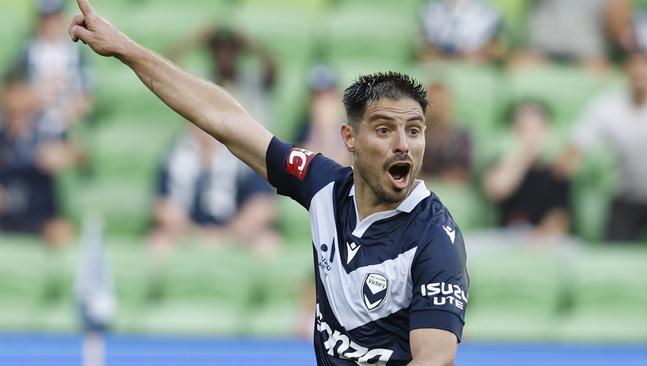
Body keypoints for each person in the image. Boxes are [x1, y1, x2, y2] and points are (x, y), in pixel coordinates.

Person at [68, 1, 469, 364]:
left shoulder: (434, 237)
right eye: (384, 130)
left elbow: (435, 360)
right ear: (350, 138)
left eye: (414, 131)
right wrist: (127, 50)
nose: (403, 145)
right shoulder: (323, 186)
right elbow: (225, 120)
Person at [148, 124, 278, 255]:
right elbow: (163, 206)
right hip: (187, 232)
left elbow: (262, 206)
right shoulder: (176, 154)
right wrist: (194, 234)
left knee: (267, 245)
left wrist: (229, 234)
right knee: (157, 245)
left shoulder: (245, 155)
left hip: (238, 230)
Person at [564, 51, 647, 242]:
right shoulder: (607, 106)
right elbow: (578, 144)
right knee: (613, 252)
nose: (640, 71)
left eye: (646, 65)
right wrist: (570, 163)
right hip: (627, 197)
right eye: (635, 65)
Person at [0, 68, 85, 247]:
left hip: (43, 214)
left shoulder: (49, 127)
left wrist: (64, 154)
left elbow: (81, 155)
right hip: (7, 212)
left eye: (21, 92)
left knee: (62, 233)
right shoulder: (3, 133)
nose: (16, 101)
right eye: (11, 93)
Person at [483, 100, 571, 242]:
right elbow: (497, 190)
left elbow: (560, 219)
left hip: (547, 239)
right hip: (508, 236)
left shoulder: (557, 169)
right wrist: (524, 154)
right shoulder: (504, 162)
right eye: (522, 130)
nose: (531, 136)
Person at [20, 0, 93, 136]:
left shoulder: (76, 52)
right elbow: (18, 96)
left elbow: (86, 98)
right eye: (46, 18)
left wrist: (70, 114)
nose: (50, 23)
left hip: (69, 122)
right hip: (35, 123)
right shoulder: (28, 52)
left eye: (54, 17)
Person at [420, 81, 472, 184]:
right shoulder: (418, 133)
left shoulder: (461, 134)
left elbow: (461, 173)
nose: (437, 107)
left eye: (441, 101)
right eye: (433, 102)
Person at [419, 0, 504, 63]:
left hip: (474, 70)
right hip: (441, 69)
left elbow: (495, 48)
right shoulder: (431, 10)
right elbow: (425, 53)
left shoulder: (488, 11)